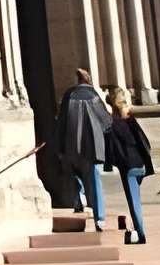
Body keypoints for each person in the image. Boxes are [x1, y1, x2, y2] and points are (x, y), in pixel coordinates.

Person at [55, 69, 112, 229]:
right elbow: (106, 121)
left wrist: (60, 147)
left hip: (71, 144)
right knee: (94, 179)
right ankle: (99, 217)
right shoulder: (93, 95)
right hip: (91, 147)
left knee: (74, 172)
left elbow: (61, 123)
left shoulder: (69, 95)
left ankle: (79, 197)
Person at [106, 95, 154, 245]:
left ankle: (141, 233)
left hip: (128, 167)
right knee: (136, 199)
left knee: (134, 202)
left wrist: (110, 165)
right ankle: (136, 227)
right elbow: (145, 143)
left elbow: (111, 149)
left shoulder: (113, 125)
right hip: (141, 164)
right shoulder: (132, 122)